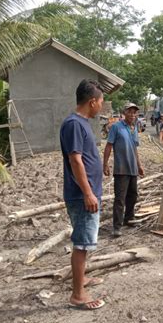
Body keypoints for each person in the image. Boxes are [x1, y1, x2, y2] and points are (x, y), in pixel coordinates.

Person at [59, 79, 105, 310]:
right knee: (82, 243)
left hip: (88, 193)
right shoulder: (74, 124)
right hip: (81, 195)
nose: (102, 107)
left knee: (86, 242)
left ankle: (82, 278)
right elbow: (75, 160)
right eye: (101, 102)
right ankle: (78, 294)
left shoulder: (82, 123)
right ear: (92, 101)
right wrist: (88, 193)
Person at [103, 102, 145, 237]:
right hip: (121, 169)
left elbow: (135, 149)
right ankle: (117, 226)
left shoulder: (134, 128)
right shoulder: (116, 127)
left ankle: (129, 218)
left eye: (135, 112)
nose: (132, 114)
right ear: (124, 113)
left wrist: (139, 166)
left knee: (133, 196)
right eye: (130, 112)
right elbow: (109, 146)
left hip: (133, 169)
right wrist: (105, 164)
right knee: (120, 199)